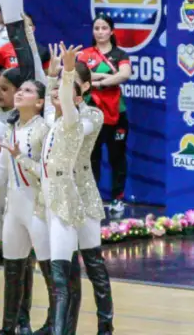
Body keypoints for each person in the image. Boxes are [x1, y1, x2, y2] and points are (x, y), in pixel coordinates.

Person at [0, 72, 51, 335]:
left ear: (40, 103)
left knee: (52, 274)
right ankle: (9, 328)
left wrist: (21, 158)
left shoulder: (44, 130)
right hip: (13, 209)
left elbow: (48, 172)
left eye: (27, 91)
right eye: (20, 90)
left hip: (39, 207)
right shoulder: (11, 129)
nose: (20, 93)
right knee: (12, 272)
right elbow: (0, 171)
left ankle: (55, 325)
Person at [64, 62, 115, 335]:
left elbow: (76, 131)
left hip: (84, 194)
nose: (63, 86)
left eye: (69, 81)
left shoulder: (93, 115)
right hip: (60, 197)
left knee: (94, 264)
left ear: (84, 87)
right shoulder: (53, 114)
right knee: (67, 270)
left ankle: (105, 327)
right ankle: (64, 327)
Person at [39, 43, 85, 335]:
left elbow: (65, 101)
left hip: (64, 203)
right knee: (61, 276)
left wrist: (68, 72)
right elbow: (49, 101)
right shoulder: (52, 123)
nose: (56, 94)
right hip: (46, 201)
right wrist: (53, 75)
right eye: (53, 90)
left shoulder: (72, 120)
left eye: (63, 91)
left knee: (59, 276)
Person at [77, 15, 131, 215]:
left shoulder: (120, 54)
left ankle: (118, 199)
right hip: (91, 112)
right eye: (96, 28)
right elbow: (79, 75)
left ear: (112, 31)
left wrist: (96, 82)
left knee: (117, 156)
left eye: (104, 28)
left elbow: (124, 74)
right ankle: (92, 198)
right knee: (92, 156)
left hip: (117, 112)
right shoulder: (85, 54)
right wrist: (108, 77)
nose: (100, 31)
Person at [0, 14, 50, 82]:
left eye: (28, 25)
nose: (25, 28)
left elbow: (46, 79)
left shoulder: (43, 51)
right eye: (21, 25)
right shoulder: (3, 50)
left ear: (33, 28)